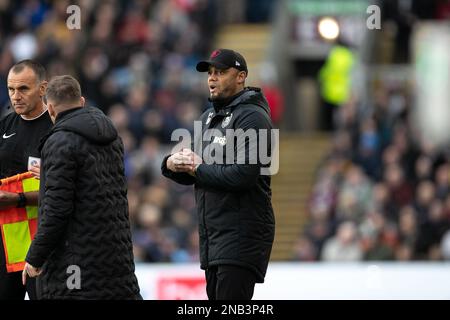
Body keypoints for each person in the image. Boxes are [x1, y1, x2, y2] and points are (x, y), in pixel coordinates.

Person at [161, 49, 275, 300]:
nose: (212, 78)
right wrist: (171, 164)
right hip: (214, 237)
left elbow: (243, 175)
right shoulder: (209, 117)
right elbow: (199, 170)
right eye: (210, 73)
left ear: (241, 77)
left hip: (240, 235)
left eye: (221, 72)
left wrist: (197, 167)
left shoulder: (253, 117)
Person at [22, 75, 141, 300]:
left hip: (75, 265)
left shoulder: (59, 142)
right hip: (117, 260)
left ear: (50, 109)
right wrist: (50, 175)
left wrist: (35, 257)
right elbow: (91, 185)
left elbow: (57, 211)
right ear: (82, 102)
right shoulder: (113, 137)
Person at [0, 60, 53, 300]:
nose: (15, 96)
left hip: (43, 240)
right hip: (6, 239)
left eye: (23, 89)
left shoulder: (57, 129)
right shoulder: (5, 125)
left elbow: (67, 189)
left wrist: (18, 199)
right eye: (11, 89)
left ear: (43, 89)